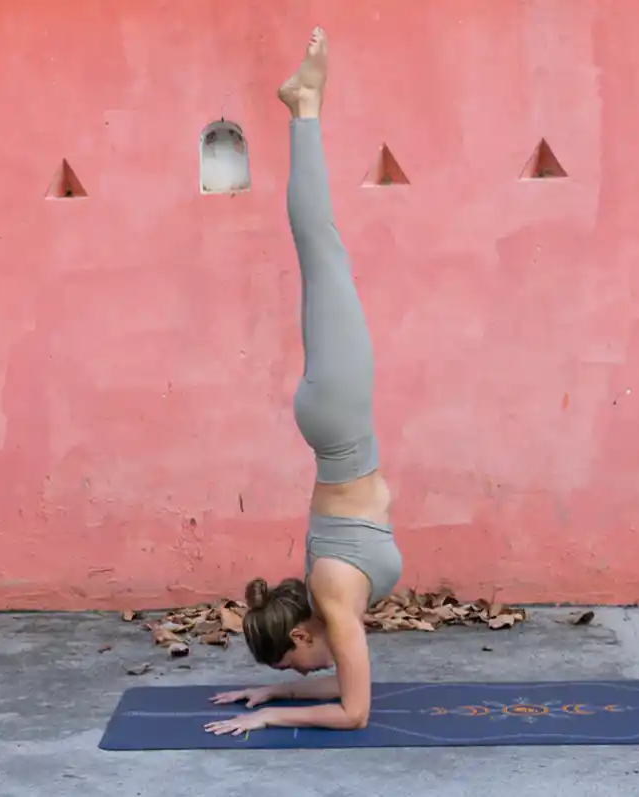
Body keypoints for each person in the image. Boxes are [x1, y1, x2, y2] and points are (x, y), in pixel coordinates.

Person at [202, 26, 401, 735]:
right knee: (324, 255)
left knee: (324, 250)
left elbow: (353, 713)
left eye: (292, 669)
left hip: (342, 422)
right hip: (334, 421)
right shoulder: (327, 597)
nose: (306, 673)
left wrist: (271, 717)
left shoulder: (334, 598)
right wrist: (271, 700)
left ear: (299, 636)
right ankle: (305, 107)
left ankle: (305, 108)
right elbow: (349, 700)